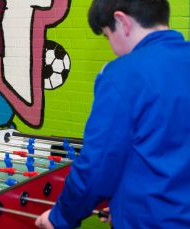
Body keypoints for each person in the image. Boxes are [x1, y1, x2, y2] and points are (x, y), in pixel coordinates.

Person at [36, 0, 190, 228]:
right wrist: (123, 204)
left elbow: (98, 165)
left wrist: (60, 216)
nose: (112, 48)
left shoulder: (122, 74)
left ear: (122, 21)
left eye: (108, 36)